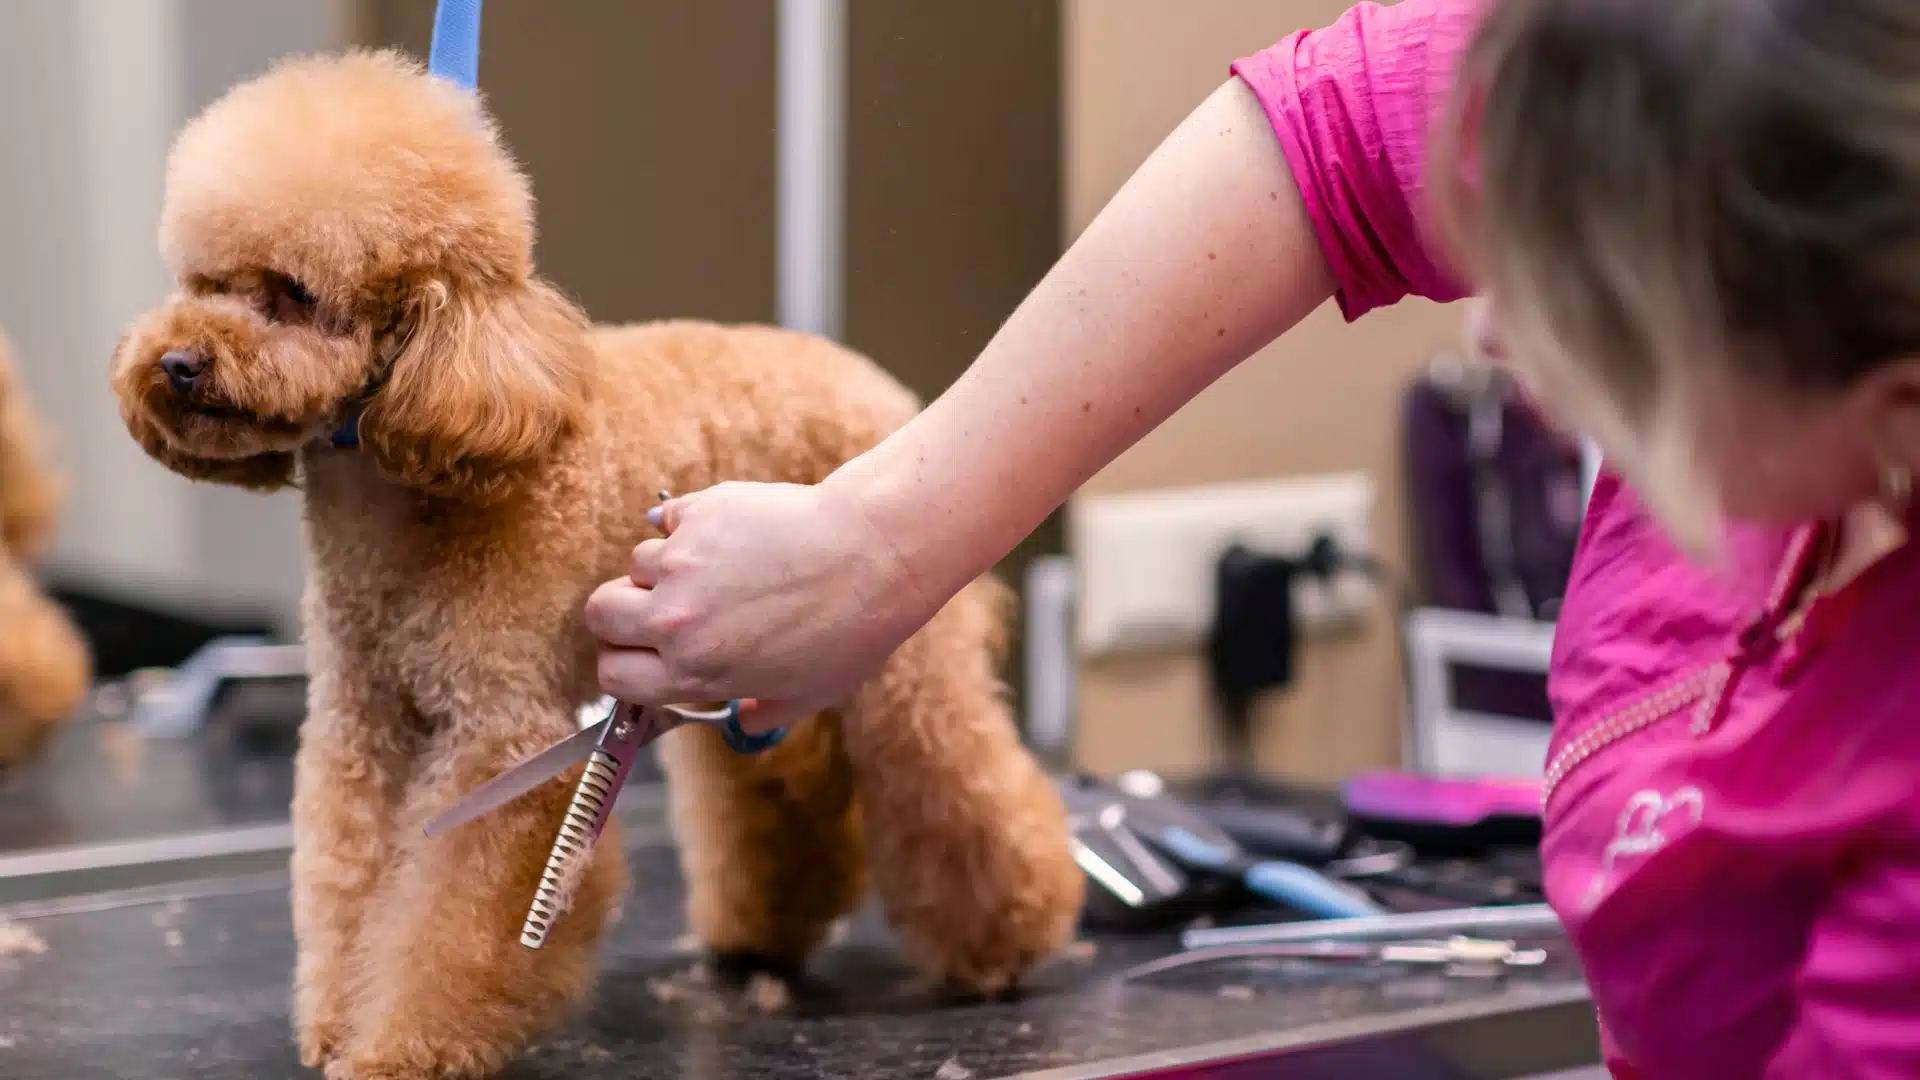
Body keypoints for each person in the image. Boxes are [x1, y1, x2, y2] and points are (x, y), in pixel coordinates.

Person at [590, 0, 1920, 1074]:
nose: (1491, 334)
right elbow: (1340, 129)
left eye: (1600, 313)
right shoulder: (1724, 59)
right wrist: (877, 544)